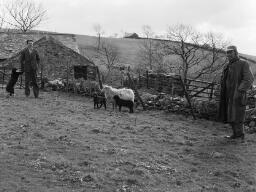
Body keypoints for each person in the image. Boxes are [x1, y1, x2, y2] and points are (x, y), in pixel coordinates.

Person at [218, 45, 254, 140]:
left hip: (238, 94)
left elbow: (249, 79)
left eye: (231, 52)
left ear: (236, 52)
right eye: (227, 52)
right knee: (230, 115)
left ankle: (240, 135)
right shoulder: (227, 65)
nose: (228, 54)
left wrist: (239, 90)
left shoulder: (243, 64)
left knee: (238, 115)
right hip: (227, 94)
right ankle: (235, 134)